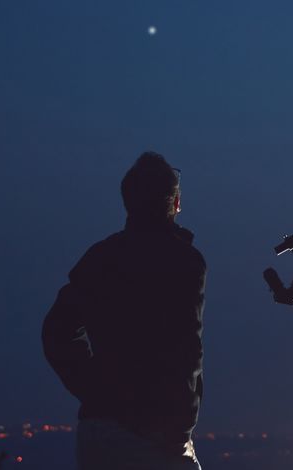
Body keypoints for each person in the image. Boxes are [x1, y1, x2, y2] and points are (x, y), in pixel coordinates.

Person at [43, 152, 206, 469]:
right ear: (174, 203)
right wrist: (178, 426)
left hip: (101, 433)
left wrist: (96, 390)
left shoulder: (100, 259)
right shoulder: (184, 262)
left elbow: (57, 331)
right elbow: (186, 350)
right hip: (157, 435)